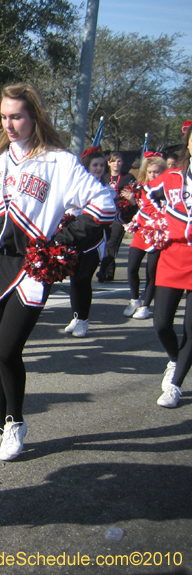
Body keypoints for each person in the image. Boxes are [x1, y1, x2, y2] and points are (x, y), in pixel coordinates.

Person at [0, 83, 115, 461]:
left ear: (34, 118)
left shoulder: (58, 162)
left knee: (9, 349)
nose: (9, 124)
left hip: (30, 268)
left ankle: (16, 422)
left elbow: (104, 206)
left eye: (17, 116)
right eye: (4, 117)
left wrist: (59, 242)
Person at [143, 126, 192, 408]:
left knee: (191, 328)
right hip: (172, 255)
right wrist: (159, 221)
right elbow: (145, 195)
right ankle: (174, 359)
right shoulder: (172, 178)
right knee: (161, 323)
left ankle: (175, 385)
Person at [62, 147, 110, 338]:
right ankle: (76, 316)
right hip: (74, 239)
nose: (98, 168)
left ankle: (84, 320)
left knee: (84, 278)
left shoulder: (107, 191)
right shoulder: (75, 187)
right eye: (95, 165)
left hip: (94, 241)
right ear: (86, 167)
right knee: (74, 279)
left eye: (101, 165)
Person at [123, 153, 167, 321]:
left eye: (156, 172)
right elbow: (140, 210)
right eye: (150, 172)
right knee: (132, 267)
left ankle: (146, 305)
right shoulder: (141, 188)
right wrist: (132, 204)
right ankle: (135, 299)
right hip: (142, 233)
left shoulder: (166, 190)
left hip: (158, 234)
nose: (153, 175)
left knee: (151, 271)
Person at [97, 152, 137, 282]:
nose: (116, 164)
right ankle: (108, 273)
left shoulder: (128, 177)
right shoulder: (104, 177)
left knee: (112, 243)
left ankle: (103, 271)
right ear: (108, 163)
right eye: (113, 161)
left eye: (119, 161)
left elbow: (133, 193)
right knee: (105, 243)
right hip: (104, 214)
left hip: (119, 215)